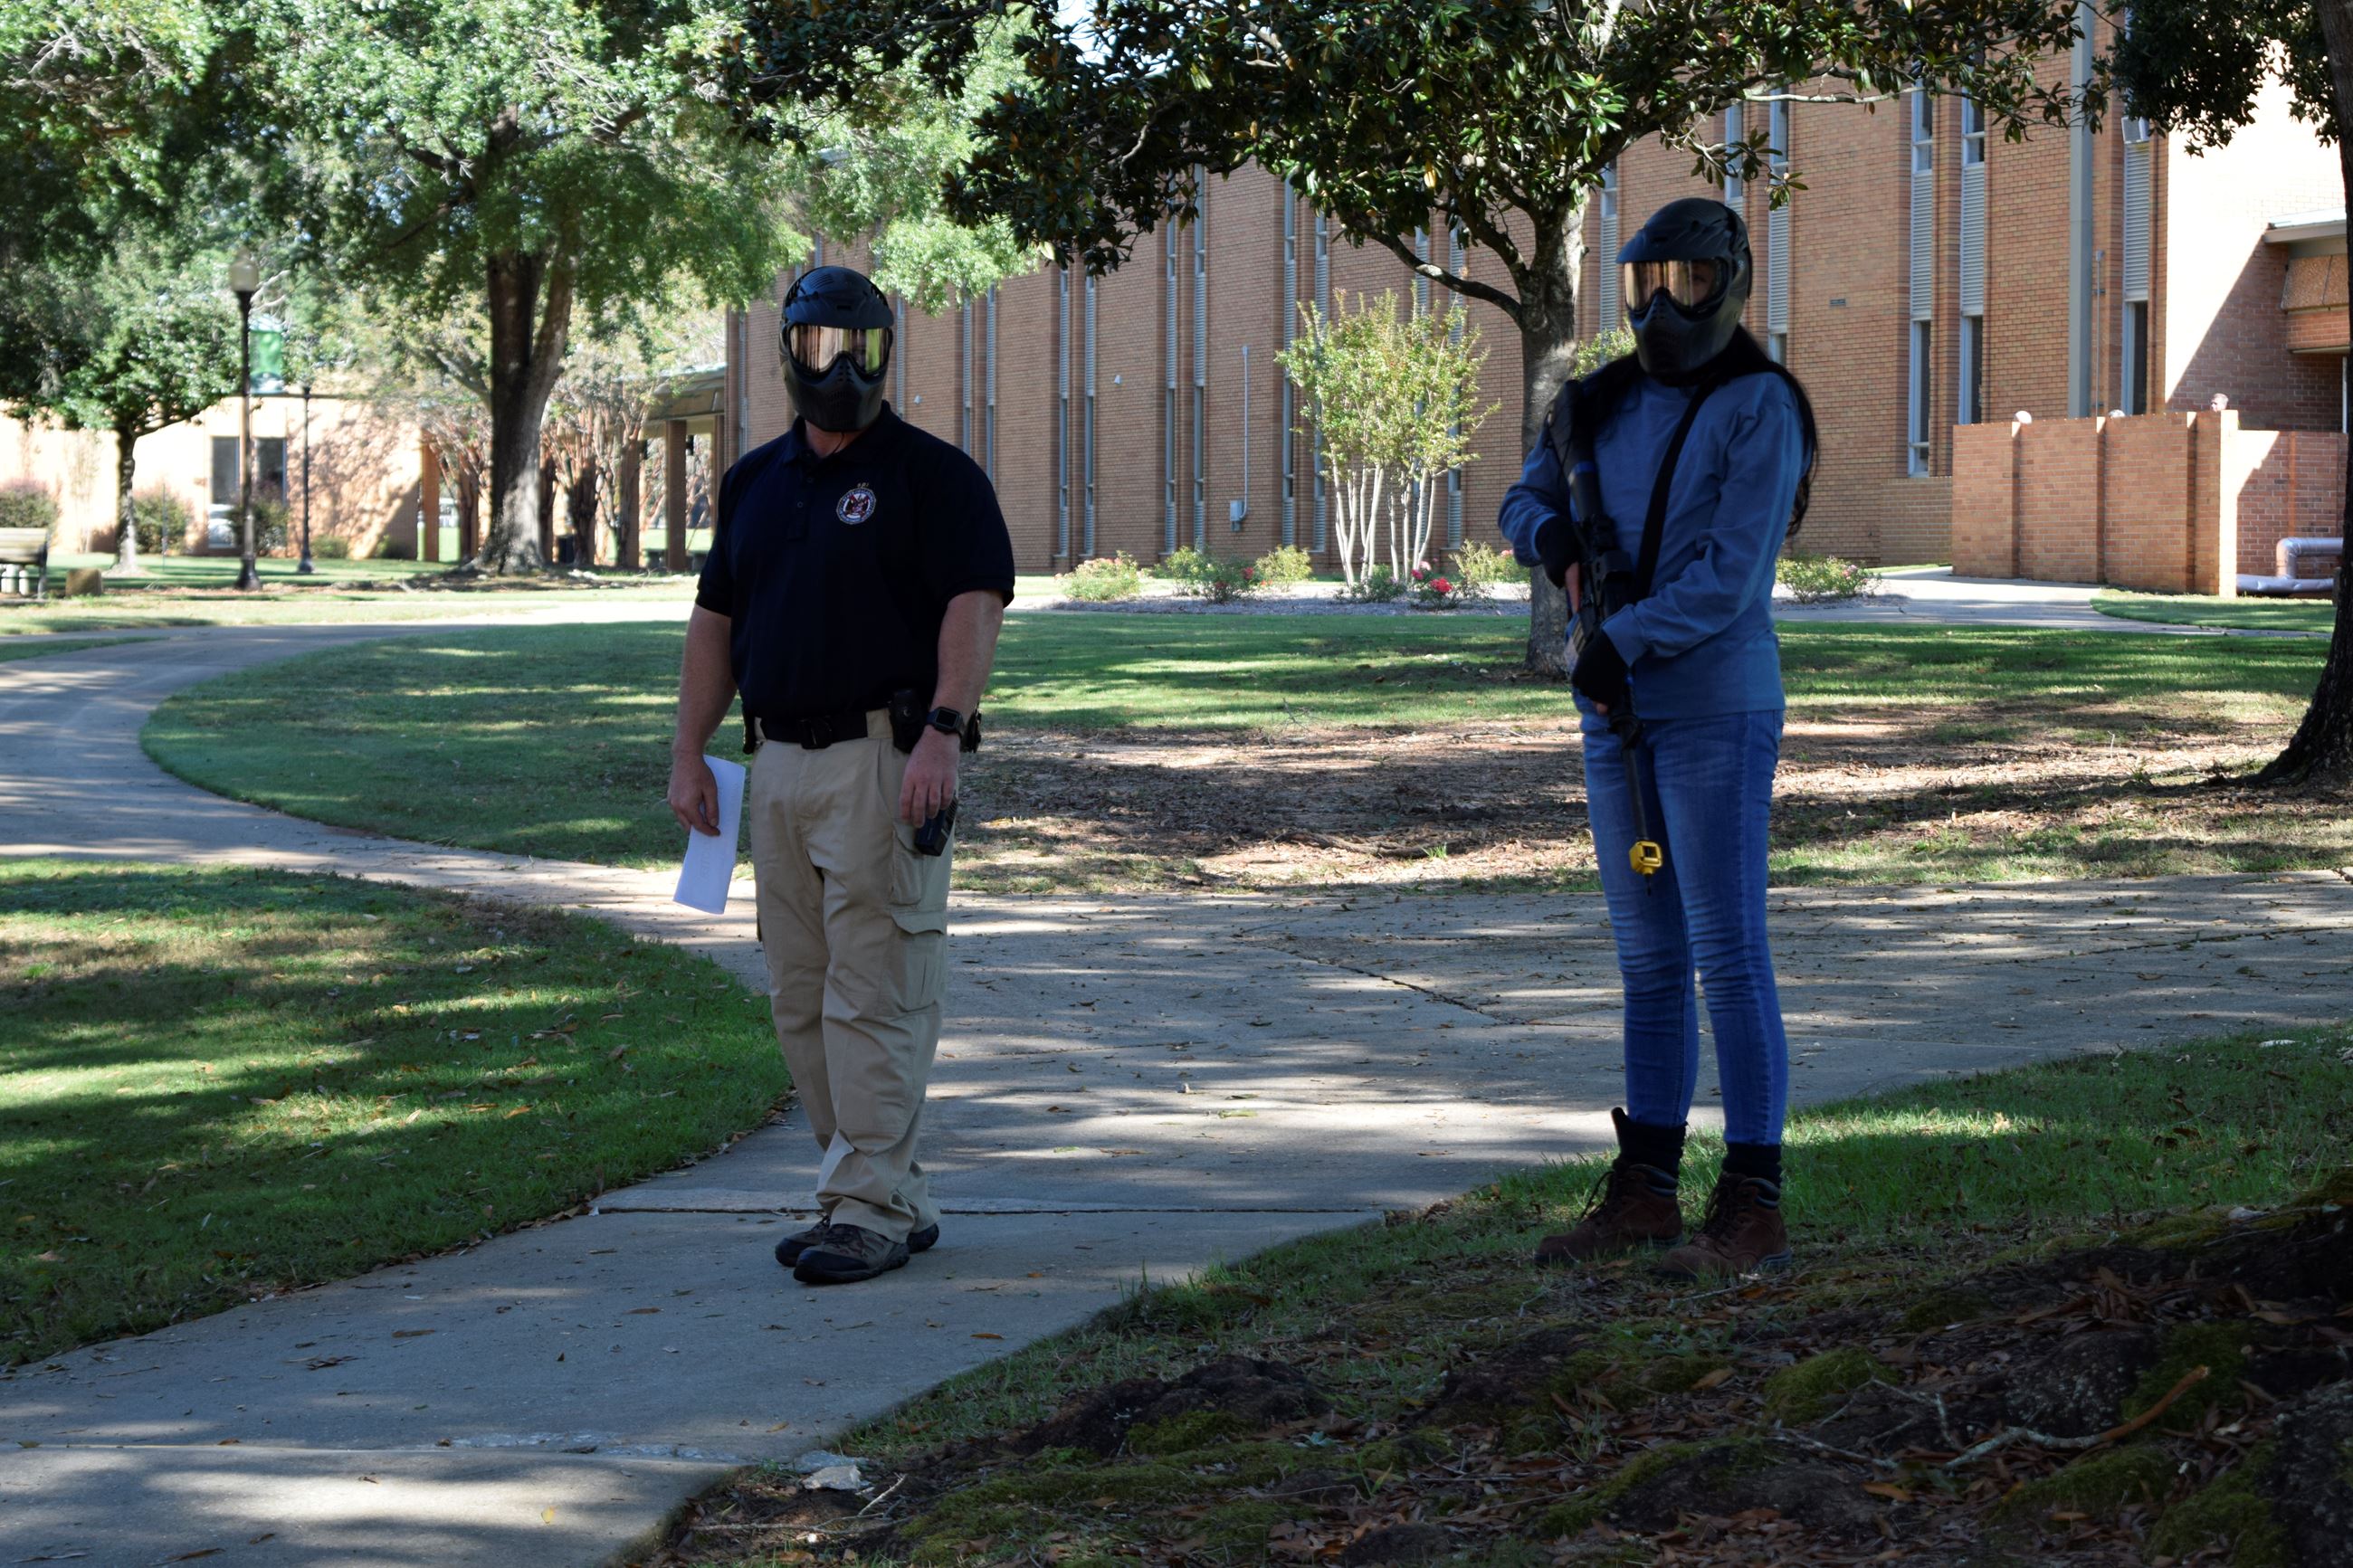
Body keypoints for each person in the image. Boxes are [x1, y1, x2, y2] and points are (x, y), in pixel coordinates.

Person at [667, 264, 1015, 1287]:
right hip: (772, 762)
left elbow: (974, 605)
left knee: (879, 989)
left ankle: (863, 1204)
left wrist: (943, 733)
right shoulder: (752, 482)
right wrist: (690, 749)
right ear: (789, 352)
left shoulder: (934, 477)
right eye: (822, 348)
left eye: (860, 347)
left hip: (883, 758)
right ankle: (877, 1191)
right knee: (803, 994)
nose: (842, 368)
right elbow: (714, 625)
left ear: (886, 353)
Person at [1498, 197, 1818, 1281]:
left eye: (1684, 282)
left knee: (1726, 956)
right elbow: (1521, 495)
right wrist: (1549, 536)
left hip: (1712, 708)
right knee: (1647, 960)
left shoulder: (1759, 405)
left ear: (1725, 286)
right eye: (1644, 283)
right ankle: (1644, 1191)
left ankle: (1753, 1203)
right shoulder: (1597, 402)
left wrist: (1618, 639)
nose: (1660, 306)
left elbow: (1730, 579)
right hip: (1617, 714)